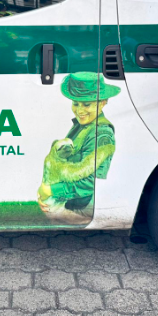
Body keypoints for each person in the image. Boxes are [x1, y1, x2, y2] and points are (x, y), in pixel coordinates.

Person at [37, 72, 119, 225]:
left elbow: (92, 183)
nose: (80, 110)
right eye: (76, 103)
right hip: (68, 201)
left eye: (87, 104)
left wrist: (51, 191)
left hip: (81, 208)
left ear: (102, 102)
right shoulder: (82, 126)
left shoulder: (100, 134)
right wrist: (46, 192)